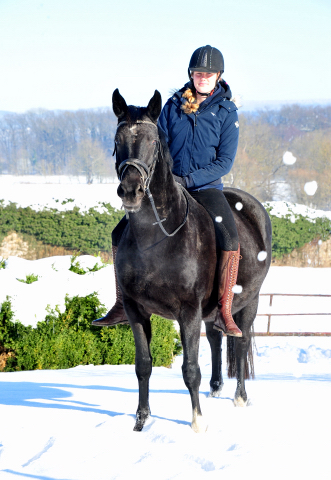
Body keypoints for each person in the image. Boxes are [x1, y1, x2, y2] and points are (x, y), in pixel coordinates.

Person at [93, 45, 242, 337]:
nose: (203, 78)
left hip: (206, 189)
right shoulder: (173, 105)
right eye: (199, 73)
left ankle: (224, 311)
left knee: (230, 236)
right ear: (191, 74)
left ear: (218, 76)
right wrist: (167, 179)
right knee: (118, 232)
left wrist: (189, 179)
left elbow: (224, 161)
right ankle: (123, 302)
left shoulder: (227, 111)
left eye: (208, 74)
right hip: (169, 188)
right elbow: (157, 146)